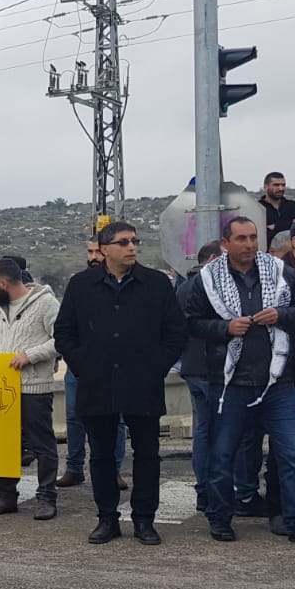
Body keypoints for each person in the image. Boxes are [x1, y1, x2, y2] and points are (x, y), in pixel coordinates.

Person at [55, 221, 187, 545]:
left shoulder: (156, 284)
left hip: (143, 383)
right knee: (100, 455)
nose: (131, 247)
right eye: (123, 242)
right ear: (104, 250)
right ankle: (107, 518)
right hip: (96, 383)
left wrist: (155, 366)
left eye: (135, 241)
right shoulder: (81, 285)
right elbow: (64, 333)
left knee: (146, 454)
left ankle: (144, 519)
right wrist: (84, 365)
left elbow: (175, 333)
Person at [182, 217, 295, 544]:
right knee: (223, 455)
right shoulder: (206, 280)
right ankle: (220, 518)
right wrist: (224, 329)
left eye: (253, 238)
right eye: (242, 238)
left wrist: (282, 315)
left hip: (278, 382)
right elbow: (190, 323)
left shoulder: (283, 274)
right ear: (226, 243)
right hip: (229, 384)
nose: (249, 244)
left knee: (293, 454)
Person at [0, 258, 63, 519]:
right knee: (3, 444)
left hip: (34, 388)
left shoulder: (46, 303)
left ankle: (46, 497)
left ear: (4, 283)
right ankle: (6, 496)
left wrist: (30, 355)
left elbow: (63, 339)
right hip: (3, 388)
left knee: (42, 444)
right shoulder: (0, 306)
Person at [59, 238, 128, 489]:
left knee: (116, 419)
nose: (93, 257)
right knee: (74, 416)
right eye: (89, 252)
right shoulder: (78, 285)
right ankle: (74, 468)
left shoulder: (123, 285)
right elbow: (65, 326)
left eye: (97, 252)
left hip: (113, 366)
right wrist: (75, 358)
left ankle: (114, 469)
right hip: (80, 365)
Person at [178, 241, 225, 512]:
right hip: (212, 368)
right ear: (214, 258)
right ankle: (217, 492)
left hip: (191, 366)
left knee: (203, 431)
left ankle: (203, 490)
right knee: (224, 433)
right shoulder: (214, 286)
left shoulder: (183, 288)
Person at [259, 172, 295, 246]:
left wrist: (275, 226)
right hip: (267, 253)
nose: (281, 188)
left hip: (294, 253)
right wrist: (291, 224)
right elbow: (260, 233)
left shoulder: (293, 206)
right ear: (266, 186)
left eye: (283, 185)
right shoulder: (258, 209)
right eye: (276, 185)